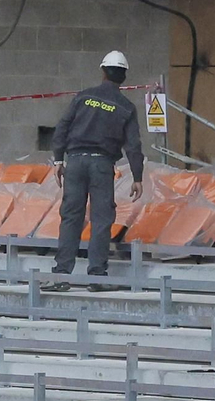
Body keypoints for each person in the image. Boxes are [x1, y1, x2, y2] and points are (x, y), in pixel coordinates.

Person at [45, 50, 145, 293]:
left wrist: (58, 160)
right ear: (124, 76)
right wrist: (137, 177)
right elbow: (133, 146)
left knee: (71, 217)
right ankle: (97, 276)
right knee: (101, 220)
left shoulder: (83, 97)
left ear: (103, 71)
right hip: (102, 166)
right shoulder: (125, 107)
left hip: (76, 162)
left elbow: (62, 128)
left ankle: (61, 275)